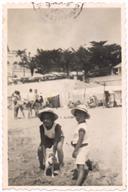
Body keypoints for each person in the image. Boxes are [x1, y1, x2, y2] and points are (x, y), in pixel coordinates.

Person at [37, 108, 64, 172]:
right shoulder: (41, 127)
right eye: (44, 119)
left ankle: (61, 164)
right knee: (39, 149)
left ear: (52, 119)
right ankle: (41, 165)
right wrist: (45, 158)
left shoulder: (57, 126)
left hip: (58, 138)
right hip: (48, 138)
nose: (46, 120)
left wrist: (53, 156)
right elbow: (43, 142)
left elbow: (55, 141)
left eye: (48, 118)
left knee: (59, 148)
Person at [71, 105, 91, 186]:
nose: (78, 116)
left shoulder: (82, 127)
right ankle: (90, 165)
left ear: (85, 116)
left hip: (82, 147)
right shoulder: (81, 124)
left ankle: (77, 185)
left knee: (80, 166)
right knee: (84, 158)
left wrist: (75, 150)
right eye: (76, 114)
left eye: (80, 114)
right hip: (83, 147)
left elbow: (81, 139)